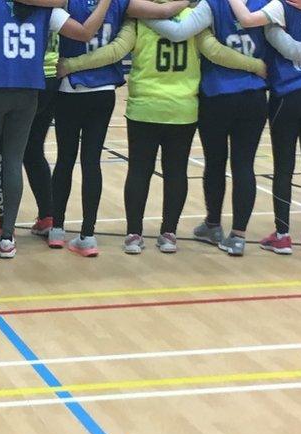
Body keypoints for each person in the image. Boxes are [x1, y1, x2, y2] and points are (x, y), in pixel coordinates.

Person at [58, 2, 266, 255]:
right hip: (182, 107)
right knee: (176, 172)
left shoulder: (138, 17)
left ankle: (134, 235)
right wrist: (255, 65)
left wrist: (72, 64)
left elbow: (114, 51)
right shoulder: (193, 17)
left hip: (145, 105)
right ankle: (169, 235)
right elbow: (214, 51)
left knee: (138, 171)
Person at [0, 0, 127, 258]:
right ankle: (7, 238)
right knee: (15, 160)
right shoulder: (48, 10)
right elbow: (84, 33)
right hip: (29, 90)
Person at [46, 0, 191, 257]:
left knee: (65, 160)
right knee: (91, 162)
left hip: (70, 87)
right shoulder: (119, 3)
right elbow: (164, 11)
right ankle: (88, 235)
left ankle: (56, 229)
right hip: (102, 91)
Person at [227, 0, 301, 255]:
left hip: (289, 92)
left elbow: (248, 20)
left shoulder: (280, 6)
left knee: (284, 167)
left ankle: (282, 235)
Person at [25, 28, 60, 237]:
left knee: (4, 153)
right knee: (33, 150)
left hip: (27, 77)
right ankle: (47, 216)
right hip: (51, 77)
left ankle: (1, 224)